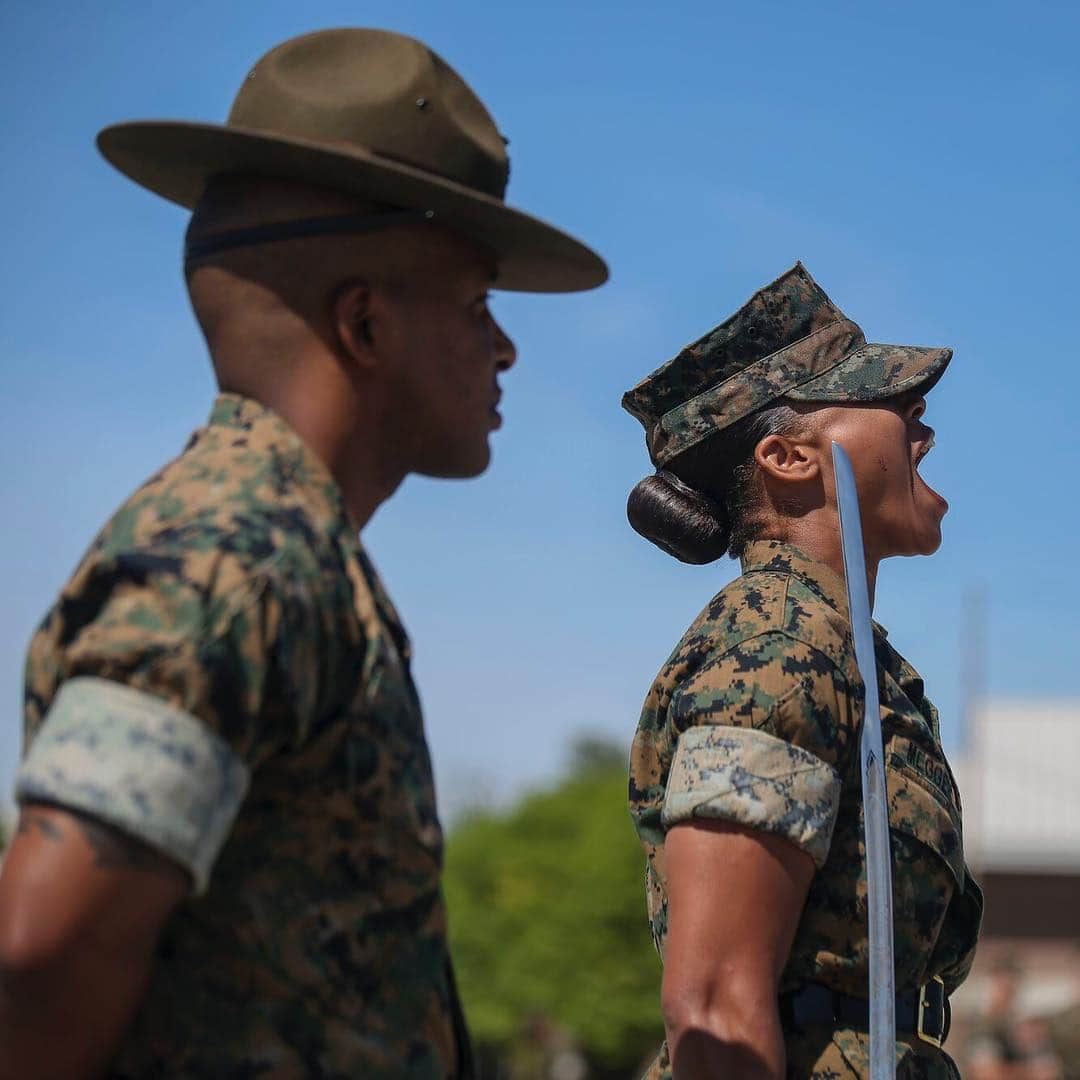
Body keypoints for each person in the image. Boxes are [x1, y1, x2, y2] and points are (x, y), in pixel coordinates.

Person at [0, 28, 606, 1078]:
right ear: (366, 323)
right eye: (475, 305)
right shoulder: (235, 556)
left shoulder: (292, 552)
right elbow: (45, 951)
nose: (503, 347)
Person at [622, 263, 982, 1078]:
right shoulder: (776, 639)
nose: (918, 427)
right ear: (788, 458)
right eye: (886, 405)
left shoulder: (845, 648)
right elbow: (713, 998)